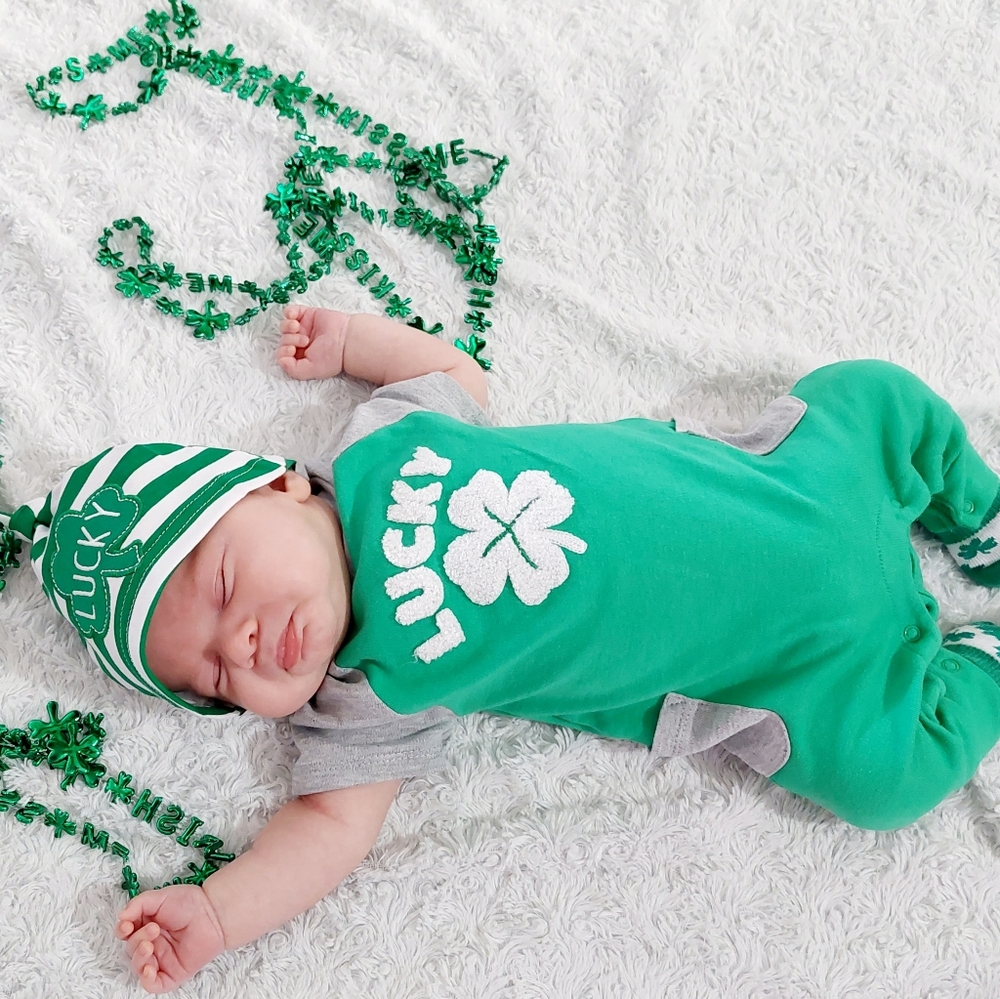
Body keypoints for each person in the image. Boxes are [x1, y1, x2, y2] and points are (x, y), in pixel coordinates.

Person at [3, 305, 1000, 993]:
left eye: (223, 590)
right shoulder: (364, 695)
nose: (247, 641)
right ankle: (980, 665)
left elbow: (450, 371)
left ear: (276, 487)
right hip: (791, 674)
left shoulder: (379, 443)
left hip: (800, 484)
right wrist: (220, 916)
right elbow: (327, 830)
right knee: (886, 781)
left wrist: (354, 338)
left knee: (872, 391)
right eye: (216, 678)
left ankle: (978, 515)